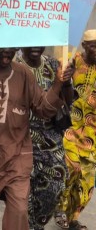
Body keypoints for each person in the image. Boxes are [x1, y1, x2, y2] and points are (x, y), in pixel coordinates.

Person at [0, 47, 72, 230]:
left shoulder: (23, 73)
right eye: (2, 47)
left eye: (11, 47)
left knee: (18, 212)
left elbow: (43, 109)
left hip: (16, 156)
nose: (7, 51)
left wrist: (58, 83)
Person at [13, 47, 73, 230]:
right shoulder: (14, 67)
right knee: (22, 198)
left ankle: (35, 225)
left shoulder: (54, 64)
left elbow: (68, 100)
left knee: (55, 187)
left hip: (49, 138)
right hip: (19, 137)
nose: (36, 46)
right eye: (31, 42)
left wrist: (65, 82)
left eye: (40, 42)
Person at [55, 29, 96, 230]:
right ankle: (60, 210)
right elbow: (63, 90)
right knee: (70, 169)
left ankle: (72, 218)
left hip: (94, 134)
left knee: (87, 181)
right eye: (94, 45)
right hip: (72, 127)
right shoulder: (73, 62)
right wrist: (65, 78)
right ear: (85, 46)